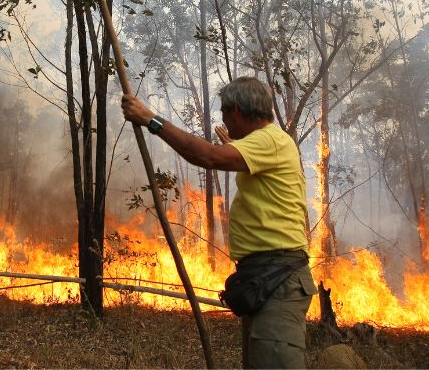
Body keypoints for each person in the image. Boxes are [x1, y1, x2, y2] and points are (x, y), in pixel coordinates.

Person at [121, 76, 316, 369]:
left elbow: (208, 157)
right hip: (264, 278)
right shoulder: (266, 142)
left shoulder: (270, 140)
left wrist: (151, 119)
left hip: (278, 281)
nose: (223, 120)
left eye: (224, 113)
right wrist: (236, 145)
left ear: (235, 110)